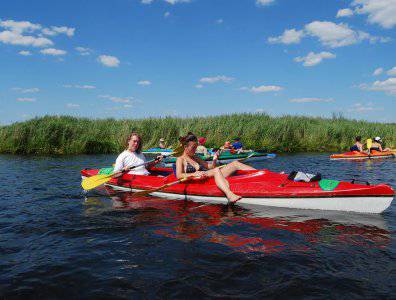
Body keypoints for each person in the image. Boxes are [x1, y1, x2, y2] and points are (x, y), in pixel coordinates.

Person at [175, 132, 255, 203]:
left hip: (207, 176)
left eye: (196, 147)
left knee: (235, 163)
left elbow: (210, 167)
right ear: (185, 147)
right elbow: (179, 175)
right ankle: (229, 194)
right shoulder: (180, 159)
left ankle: (261, 174)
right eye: (193, 147)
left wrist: (214, 160)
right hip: (198, 180)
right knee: (216, 170)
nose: (195, 150)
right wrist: (194, 174)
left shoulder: (196, 157)